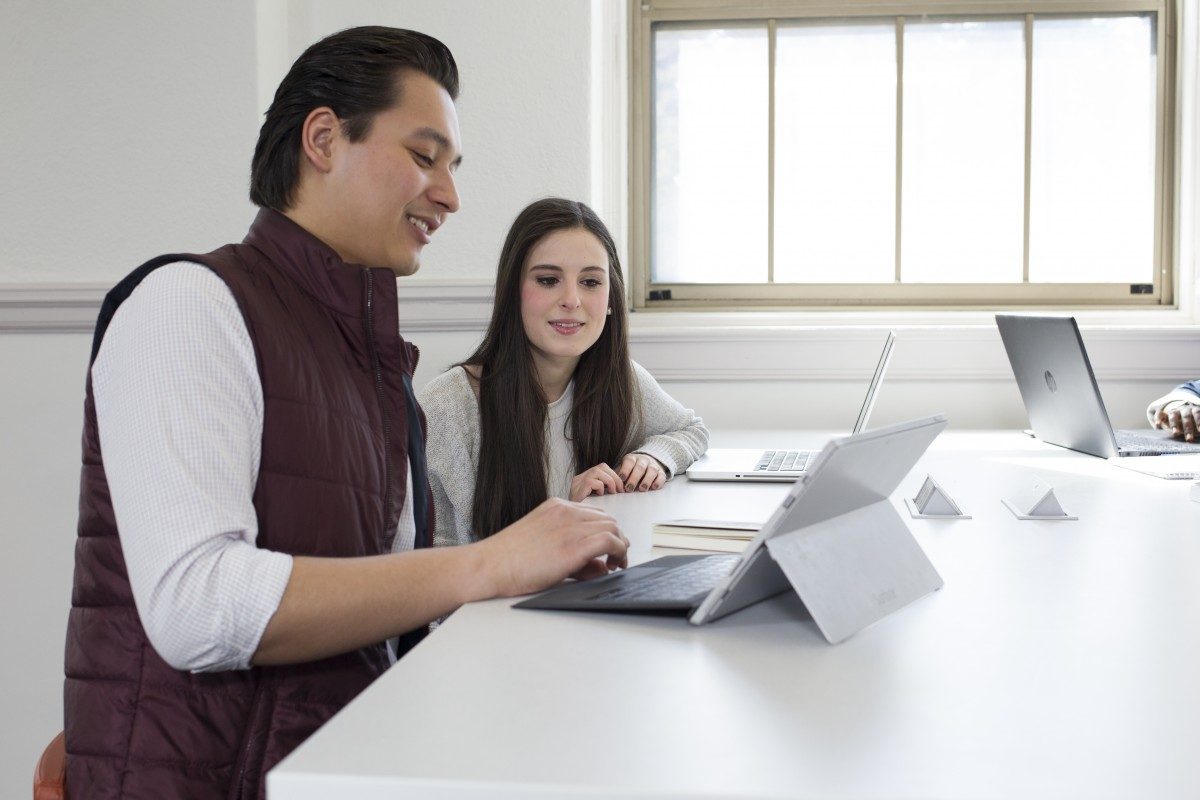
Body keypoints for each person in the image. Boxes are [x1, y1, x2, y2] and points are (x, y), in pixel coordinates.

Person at [64, 28, 628, 800]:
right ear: (324, 139)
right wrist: (490, 561)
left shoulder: (369, 362)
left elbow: (385, 618)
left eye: (454, 168)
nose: (451, 196)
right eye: (425, 157)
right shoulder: (186, 306)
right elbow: (195, 605)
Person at [418, 198, 708, 549]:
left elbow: (690, 430)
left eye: (590, 282)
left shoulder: (621, 380)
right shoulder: (447, 407)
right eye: (548, 280)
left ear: (611, 298)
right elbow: (432, 562)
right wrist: (566, 515)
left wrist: (654, 457)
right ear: (513, 293)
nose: (572, 299)